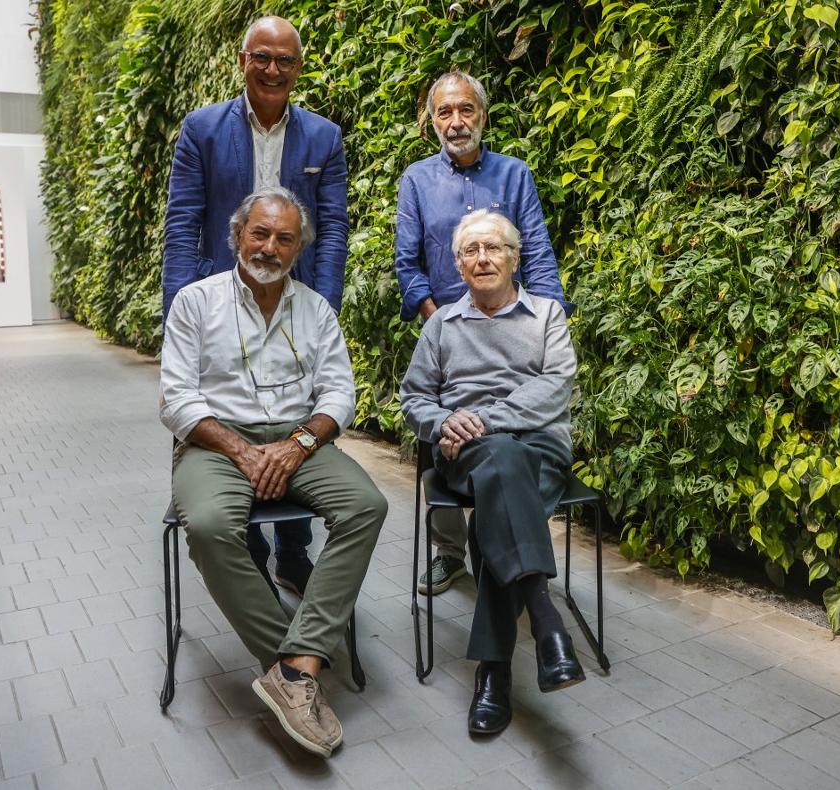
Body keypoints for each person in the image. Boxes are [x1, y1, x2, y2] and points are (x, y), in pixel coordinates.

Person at [160, 187, 385, 757]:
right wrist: (241, 450)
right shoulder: (195, 302)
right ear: (237, 236)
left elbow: (339, 392)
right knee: (210, 525)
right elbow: (176, 400)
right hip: (214, 443)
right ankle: (291, 669)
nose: (270, 246)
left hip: (298, 442)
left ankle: (298, 664)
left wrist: (297, 444)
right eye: (259, 233)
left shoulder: (315, 308)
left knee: (366, 504)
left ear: (298, 249)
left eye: (285, 238)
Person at [163, 15, 350, 594]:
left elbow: (334, 227)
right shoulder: (202, 129)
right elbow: (183, 222)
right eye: (261, 57)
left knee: (292, 406)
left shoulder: (324, 137)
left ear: (298, 68)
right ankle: (248, 555)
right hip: (221, 302)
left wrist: (321, 302)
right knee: (235, 411)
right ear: (242, 60)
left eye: (285, 60)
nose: (273, 69)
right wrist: (181, 308)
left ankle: (294, 553)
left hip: (291, 300)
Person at [399, 210, 584, 735]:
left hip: (538, 449)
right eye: (471, 251)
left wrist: (484, 419)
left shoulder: (546, 315)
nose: (482, 258)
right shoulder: (441, 325)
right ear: (458, 266)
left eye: (494, 248)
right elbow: (414, 397)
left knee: (499, 486)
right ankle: (545, 623)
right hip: (464, 453)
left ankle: (494, 674)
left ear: (515, 257)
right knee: (498, 465)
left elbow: (554, 389)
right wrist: (443, 422)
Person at [394, 71, 572, 597]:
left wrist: (546, 318)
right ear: (431, 121)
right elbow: (408, 263)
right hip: (450, 333)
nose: (456, 122)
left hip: (512, 324)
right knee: (443, 431)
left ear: (483, 116)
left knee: (510, 439)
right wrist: (439, 322)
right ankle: (450, 555)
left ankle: (501, 546)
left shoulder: (514, 175)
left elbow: (535, 251)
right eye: (445, 112)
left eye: (466, 110)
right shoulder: (417, 180)